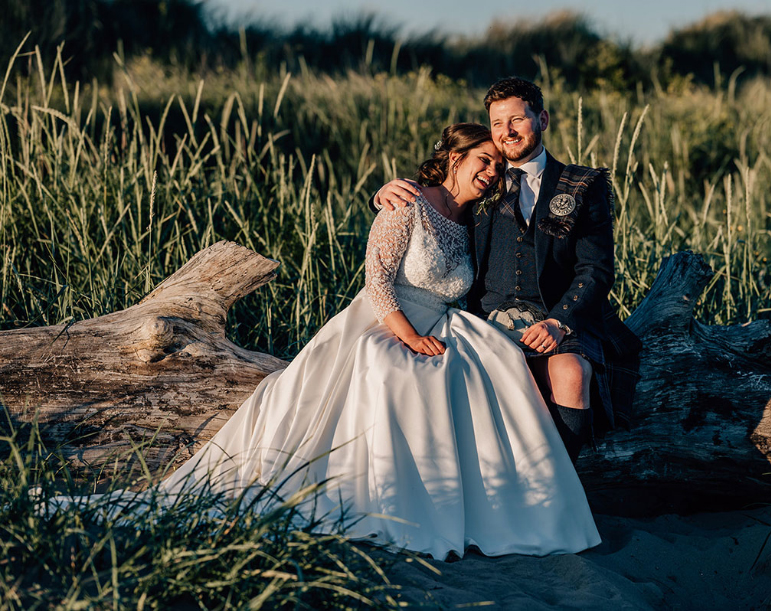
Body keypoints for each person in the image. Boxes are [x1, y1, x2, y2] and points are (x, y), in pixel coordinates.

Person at [54, 123, 601, 561]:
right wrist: (408, 335)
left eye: (496, 165)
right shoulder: (406, 202)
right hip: (384, 320)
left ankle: (516, 498)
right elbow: (377, 280)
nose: (490, 171)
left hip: (441, 323)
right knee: (393, 368)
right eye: (482, 160)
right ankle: (395, 503)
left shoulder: (475, 219)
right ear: (453, 158)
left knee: (492, 362)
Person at [374, 78, 642, 465]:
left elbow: (596, 269)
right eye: (498, 123)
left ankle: (563, 484)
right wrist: (382, 194)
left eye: (518, 119)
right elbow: (434, 209)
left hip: (553, 316)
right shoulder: (482, 179)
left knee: (571, 374)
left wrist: (558, 323)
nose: (507, 132)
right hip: (486, 320)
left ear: (543, 119)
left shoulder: (581, 185)